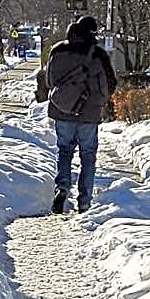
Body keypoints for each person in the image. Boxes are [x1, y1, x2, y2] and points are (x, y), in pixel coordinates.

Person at [45, 15, 116, 214]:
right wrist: (98, 100)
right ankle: (84, 201)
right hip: (89, 114)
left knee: (64, 151)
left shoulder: (57, 50)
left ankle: (62, 188)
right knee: (88, 156)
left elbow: (49, 81)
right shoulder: (98, 54)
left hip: (62, 110)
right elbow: (109, 84)